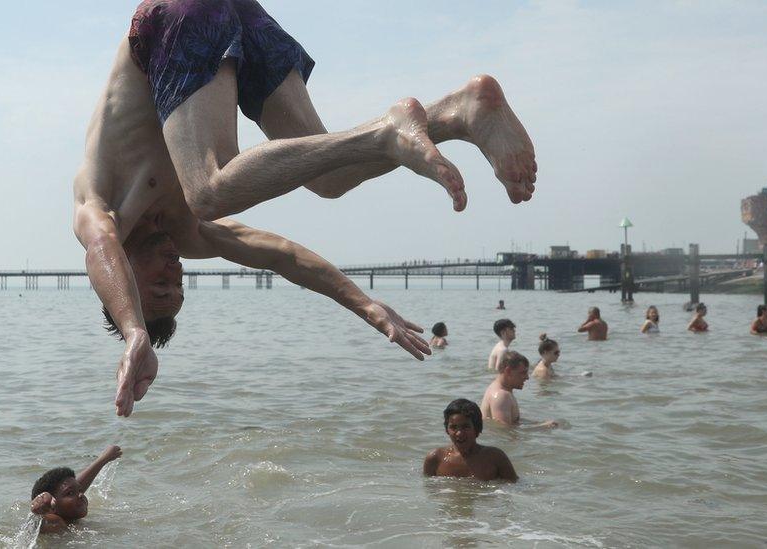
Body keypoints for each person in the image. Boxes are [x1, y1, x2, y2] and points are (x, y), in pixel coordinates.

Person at [74, 0, 538, 416]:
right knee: (330, 179)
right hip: (238, 16)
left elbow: (99, 250)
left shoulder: (100, 207)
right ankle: (460, 111)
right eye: (178, 285)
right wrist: (365, 305)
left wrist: (135, 330)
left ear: (125, 283)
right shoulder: (185, 233)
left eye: (159, 285)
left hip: (178, 17)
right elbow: (283, 255)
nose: (174, 271)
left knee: (209, 192)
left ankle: (386, 132)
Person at [30, 445, 123, 534]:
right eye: (70, 493)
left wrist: (103, 459)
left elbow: (74, 486)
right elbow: (40, 522)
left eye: (80, 490)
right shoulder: (57, 524)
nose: (81, 494)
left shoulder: (72, 519)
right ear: (52, 507)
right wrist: (42, 503)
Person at [423, 398, 518, 482]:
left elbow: (515, 488)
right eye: (453, 427)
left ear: (477, 428)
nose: (459, 433)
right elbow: (429, 493)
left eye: (465, 427)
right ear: (447, 429)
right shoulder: (435, 459)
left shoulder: (495, 458)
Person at [480, 351, 558, 428]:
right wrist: (542, 427)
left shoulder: (501, 390)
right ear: (508, 371)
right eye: (523, 373)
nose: (527, 377)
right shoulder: (501, 396)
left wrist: (538, 423)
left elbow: (512, 423)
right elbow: (504, 433)